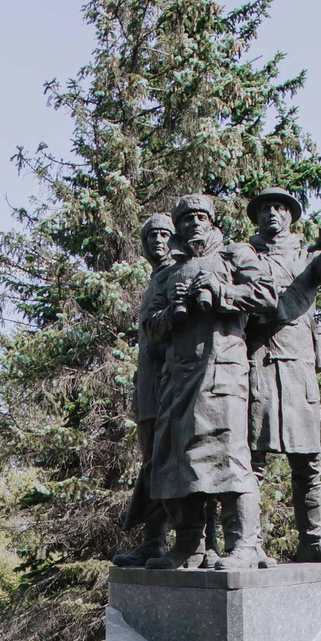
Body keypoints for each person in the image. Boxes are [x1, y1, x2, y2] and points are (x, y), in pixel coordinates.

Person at [146, 194, 264, 569]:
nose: (194, 223)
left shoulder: (234, 255)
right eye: (186, 218)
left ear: (212, 222)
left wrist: (220, 291)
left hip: (223, 371)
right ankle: (190, 545)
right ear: (178, 226)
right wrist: (171, 312)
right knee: (178, 460)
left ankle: (244, 546)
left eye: (201, 217)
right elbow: (151, 327)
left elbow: (266, 295)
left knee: (230, 456)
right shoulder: (168, 274)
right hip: (178, 379)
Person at [242, 185, 321, 563]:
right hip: (259, 366)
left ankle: (312, 540)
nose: (273, 212)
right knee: (251, 461)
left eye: (280, 207)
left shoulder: (306, 256)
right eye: (266, 207)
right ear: (256, 217)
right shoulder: (244, 255)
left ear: (290, 216)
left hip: (299, 371)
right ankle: (248, 543)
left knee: (308, 462)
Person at [114, 212, 180, 567]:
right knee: (152, 464)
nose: (157, 240)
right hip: (149, 391)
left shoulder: (174, 275)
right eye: (151, 235)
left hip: (170, 385)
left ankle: (177, 539)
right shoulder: (155, 279)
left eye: (164, 234)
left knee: (163, 463)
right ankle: (153, 539)